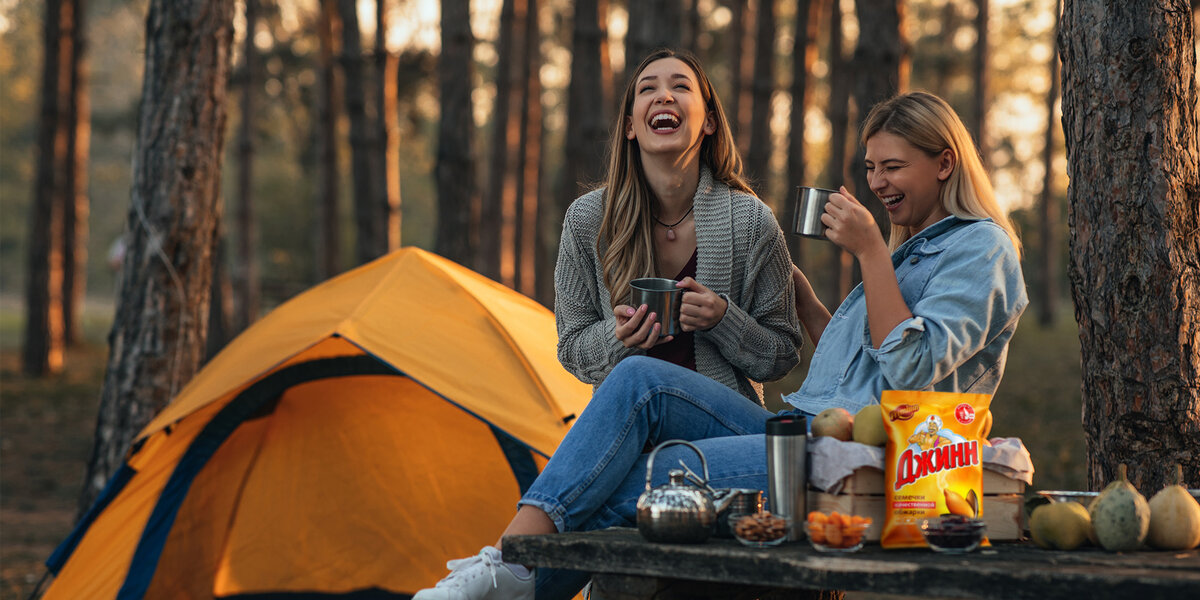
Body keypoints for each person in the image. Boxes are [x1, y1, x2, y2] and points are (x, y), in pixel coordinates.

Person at [413, 91, 1027, 600]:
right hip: (804, 431)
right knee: (637, 380)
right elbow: (859, 365)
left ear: (944, 163)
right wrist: (815, 306)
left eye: (892, 167)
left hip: (883, 466)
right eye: (871, 168)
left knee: (650, 479)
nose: (876, 182)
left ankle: (514, 577)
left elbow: (913, 368)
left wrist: (868, 252)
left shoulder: (982, 250)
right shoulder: (909, 250)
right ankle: (510, 565)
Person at [553, 48, 802, 405]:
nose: (664, 95)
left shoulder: (751, 222)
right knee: (637, 379)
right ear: (629, 126)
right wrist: (617, 336)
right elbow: (572, 349)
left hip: (721, 423)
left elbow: (782, 355)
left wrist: (724, 320)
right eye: (647, 89)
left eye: (681, 86)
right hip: (633, 425)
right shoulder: (588, 220)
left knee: (636, 380)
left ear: (709, 122)